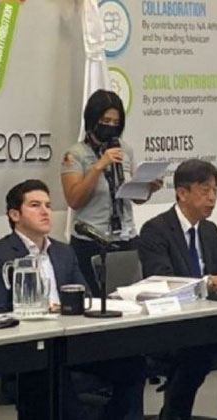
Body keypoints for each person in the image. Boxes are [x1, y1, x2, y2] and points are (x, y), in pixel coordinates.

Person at [0, 179, 146, 420]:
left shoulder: (63, 252)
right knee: (55, 378)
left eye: (48, 205)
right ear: (15, 215)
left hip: (70, 344)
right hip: (27, 352)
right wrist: (46, 310)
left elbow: (85, 297)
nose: (45, 211)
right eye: (35, 205)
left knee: (131, 363)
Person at [139, 159, 217, 420]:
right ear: (182, 193)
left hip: (207, 320)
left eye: (215, 191)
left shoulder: (209, 230)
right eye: (205, 191)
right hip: (169, 325)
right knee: (197, 352)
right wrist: (208, 282)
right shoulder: (155, 230)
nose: (212, 198)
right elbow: (162, 280)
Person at [61, 89, 162, 295]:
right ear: (93, 119)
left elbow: (133, 197)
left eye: (116, 122)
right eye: (106, 121)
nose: (110, 126)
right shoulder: (75, 154)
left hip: (125, 237)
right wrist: (98, 166)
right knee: (96, 299)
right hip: (91, 240)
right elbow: (74, 199)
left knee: (128, 296)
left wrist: (148, 187)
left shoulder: (124, 149)